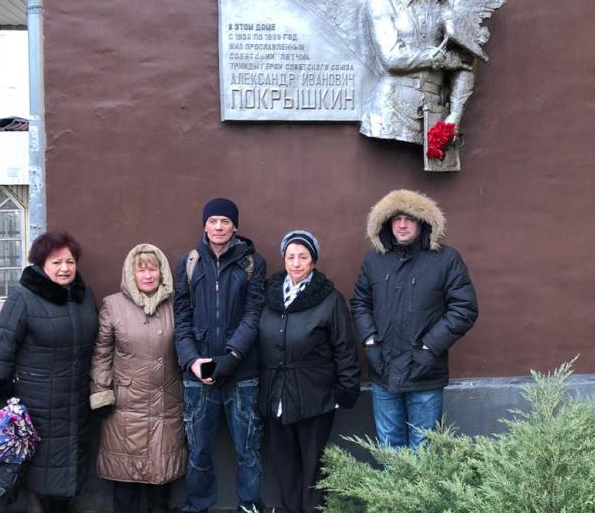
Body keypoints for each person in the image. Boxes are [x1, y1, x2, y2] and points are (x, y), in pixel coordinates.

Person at [0, 230, 98, 513]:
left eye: (69, 261)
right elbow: (0, 353)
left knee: (64, 477)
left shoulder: (84, 297)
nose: (64, 268)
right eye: (56, 262)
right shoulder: (23, 299)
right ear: (41, 264)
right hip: (33, 410)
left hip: (74, 406)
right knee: (28, 481)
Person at [351, 189, 478, 449]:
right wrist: (371, 342)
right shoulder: (375, 260)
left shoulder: (446, 259)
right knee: (389, 448)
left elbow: (464, 308)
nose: (402, 225)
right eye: (396, 219)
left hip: (424, 372)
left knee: (424, 450)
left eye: (409, 218)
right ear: (386, 223)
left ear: (422, 222)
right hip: (383, 371)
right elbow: (360, 302)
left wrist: (430, 347)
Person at [174, 198, 266, 513]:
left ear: (234, 226)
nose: (218, 227)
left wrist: (231, 356)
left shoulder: (252, 263)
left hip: (242, 372)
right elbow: (181, 318)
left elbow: (253, 314)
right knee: (198, 451)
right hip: (198, 374)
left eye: (225, 221)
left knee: (248, 449)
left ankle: (249, 506)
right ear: (204, 225)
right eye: (212, 221)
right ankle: (197, 506)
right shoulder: (189, 262)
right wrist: (191, 360)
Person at [259, 230, 359, 513]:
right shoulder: (270, 296)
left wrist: (346, 389)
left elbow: (345, 347)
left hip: (315, 395)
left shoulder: (330, 299)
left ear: (313, 261)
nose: (296, 263)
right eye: (291, 257)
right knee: (284, 463)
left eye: (303, 257)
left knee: (313, 465)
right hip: (276, 394)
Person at [89, 244, 186, 513]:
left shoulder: (176, 305)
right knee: (125, 477)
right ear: (130, 274)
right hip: (125, 407)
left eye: (152, 269)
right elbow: (101, 353)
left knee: (161, 477)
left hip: (167, 403)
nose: (147, 275)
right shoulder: (113, 305)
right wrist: (101, 392)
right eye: (141, 270)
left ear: (162, 272)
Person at [361, 0, 474, 145]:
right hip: (390, 111)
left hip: (433, 113)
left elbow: (466, 64)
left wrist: (455, 115)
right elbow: (392, 58)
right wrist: (440, 59)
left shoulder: (444, 8)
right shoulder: (382, 4)